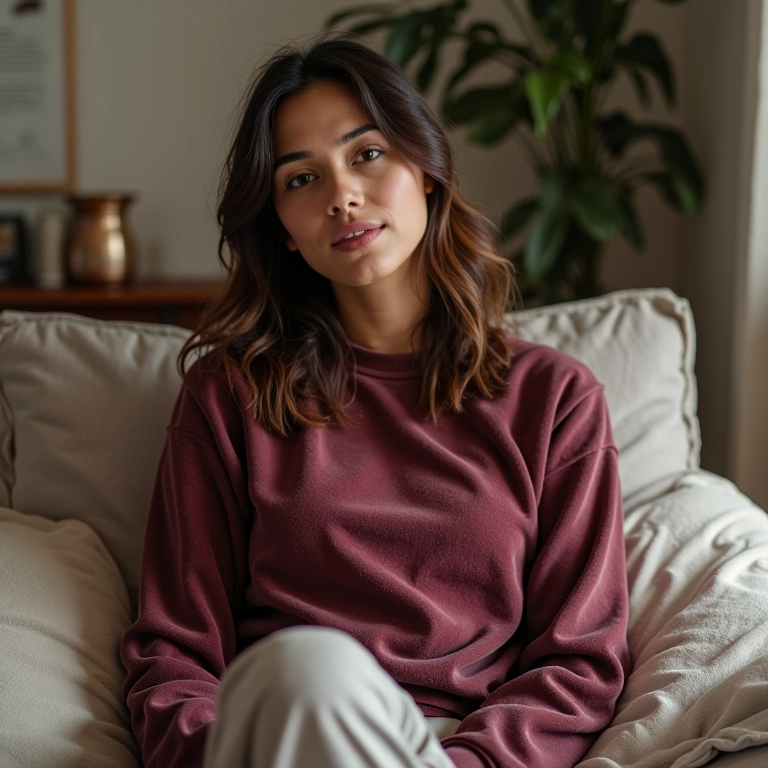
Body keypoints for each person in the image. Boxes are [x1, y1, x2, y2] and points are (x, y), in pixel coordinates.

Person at [120, 35, 630, 768]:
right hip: (275, 734)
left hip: (449, 752)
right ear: (284, 232)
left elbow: (580, 663)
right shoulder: (229, 398)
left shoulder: (555, 399)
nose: (342, 196)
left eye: (367, 155)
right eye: (301, 180)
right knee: (306, 672)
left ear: (424, 168)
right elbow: (173, 653)